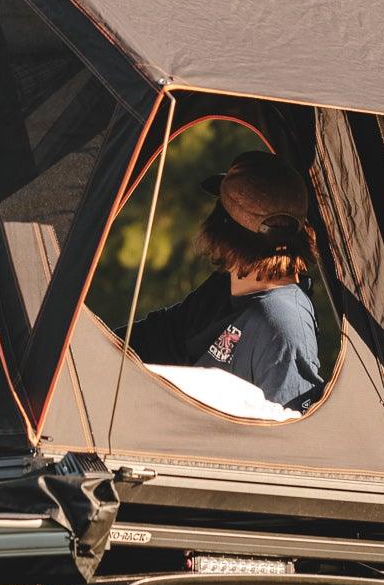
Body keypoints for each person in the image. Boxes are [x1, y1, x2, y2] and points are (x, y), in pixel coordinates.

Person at [130, 151, 323, 412]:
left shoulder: (283, 325)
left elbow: (291, 438)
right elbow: (164, 337)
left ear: (222, 228)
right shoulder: (226, 288)